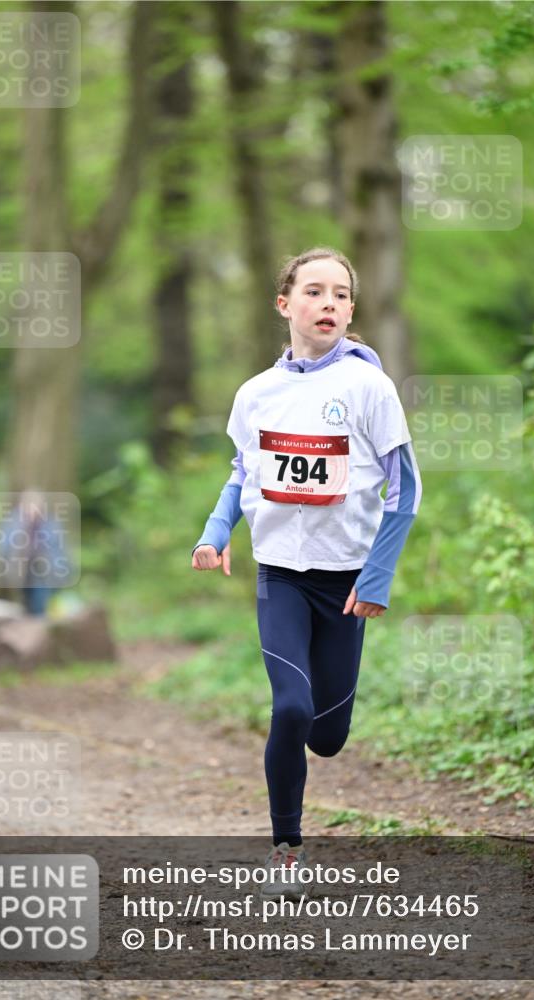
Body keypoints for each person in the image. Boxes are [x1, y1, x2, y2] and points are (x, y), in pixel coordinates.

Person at [192, 247, 422, 898]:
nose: (329, 304)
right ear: (284, 304)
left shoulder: (368, 389)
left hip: (346, 583)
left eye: (342, 295)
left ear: (351, 310)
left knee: (327, 737)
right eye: (315, 291)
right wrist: (215, 535)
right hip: (281, 577)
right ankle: (285, 849)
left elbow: (405, 492)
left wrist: (375, 579)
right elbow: (242, 473)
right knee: (290, 707)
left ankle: (317, 751)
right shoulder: (256, 394)